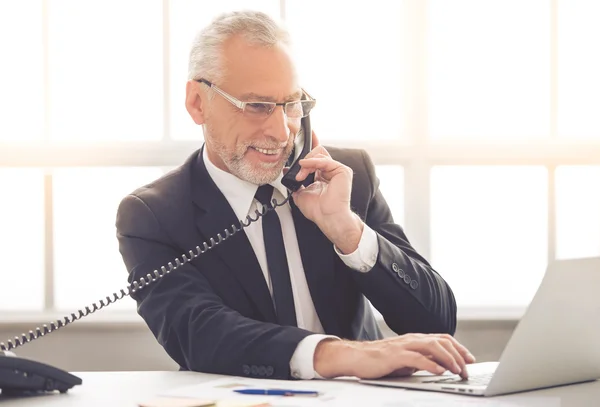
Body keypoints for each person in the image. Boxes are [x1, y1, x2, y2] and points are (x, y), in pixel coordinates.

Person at [116, 10, 475, 381]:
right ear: (197, 102)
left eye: (291, 105)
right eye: (257, 106)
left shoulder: (346, 176)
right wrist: (340, 355)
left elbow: (436, 320)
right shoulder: (152, 215)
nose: (281, 130)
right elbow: (201, 334)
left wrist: (347, 231)